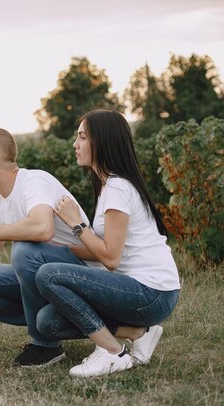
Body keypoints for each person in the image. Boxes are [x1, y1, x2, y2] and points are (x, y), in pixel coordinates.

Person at [33, 109, 181, 377]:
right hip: (136, 291)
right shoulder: (109, 186)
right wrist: (60, 250)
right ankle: (139, 333)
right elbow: (104, 249)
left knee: (48, 276)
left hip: (152, 292)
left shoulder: (118, 188)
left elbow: (111, 258)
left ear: (101, 142)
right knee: (47, 322)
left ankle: (112, 352)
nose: (75, 144)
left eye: (82, 137)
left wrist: (75, 224)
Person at [0, 127, 99, 367]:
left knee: (25, 250)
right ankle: (45, 322)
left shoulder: (33, 181)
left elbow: (42, 229)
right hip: (44, 277)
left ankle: (44, 344)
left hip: (82, 277)